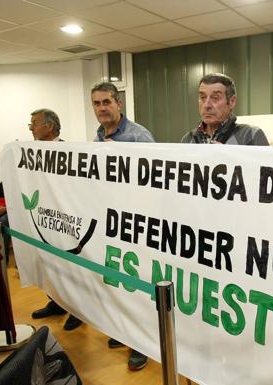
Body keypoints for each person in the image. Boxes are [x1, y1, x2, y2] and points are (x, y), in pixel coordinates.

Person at [92, 82, 153, 370]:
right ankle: (126, 332)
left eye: (107, 102)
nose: (102, 108)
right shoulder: (97, 136)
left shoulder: (139, 136)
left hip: (137, 223)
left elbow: (156, 180)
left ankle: (141, 343)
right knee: (118, 283)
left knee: (137, 287)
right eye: (96, 103)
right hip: (111, 221)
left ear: (119, 104)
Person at [28, 109, 83, 332]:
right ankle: (57, 302)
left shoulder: (68, 153)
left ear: (49, 127)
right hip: (44, 219)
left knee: (70, 268)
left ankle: (77, 310)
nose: (31, 128)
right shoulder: (31, 153)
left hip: (65, 221)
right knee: (50, 265)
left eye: (34, 123)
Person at [181, 73, 269, 145]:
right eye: (202, 97)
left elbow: (266, 166)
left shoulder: (250, 136)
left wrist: (227, 156)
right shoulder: (187, 140)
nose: (206, 105)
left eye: (215, 98)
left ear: (232, 101)